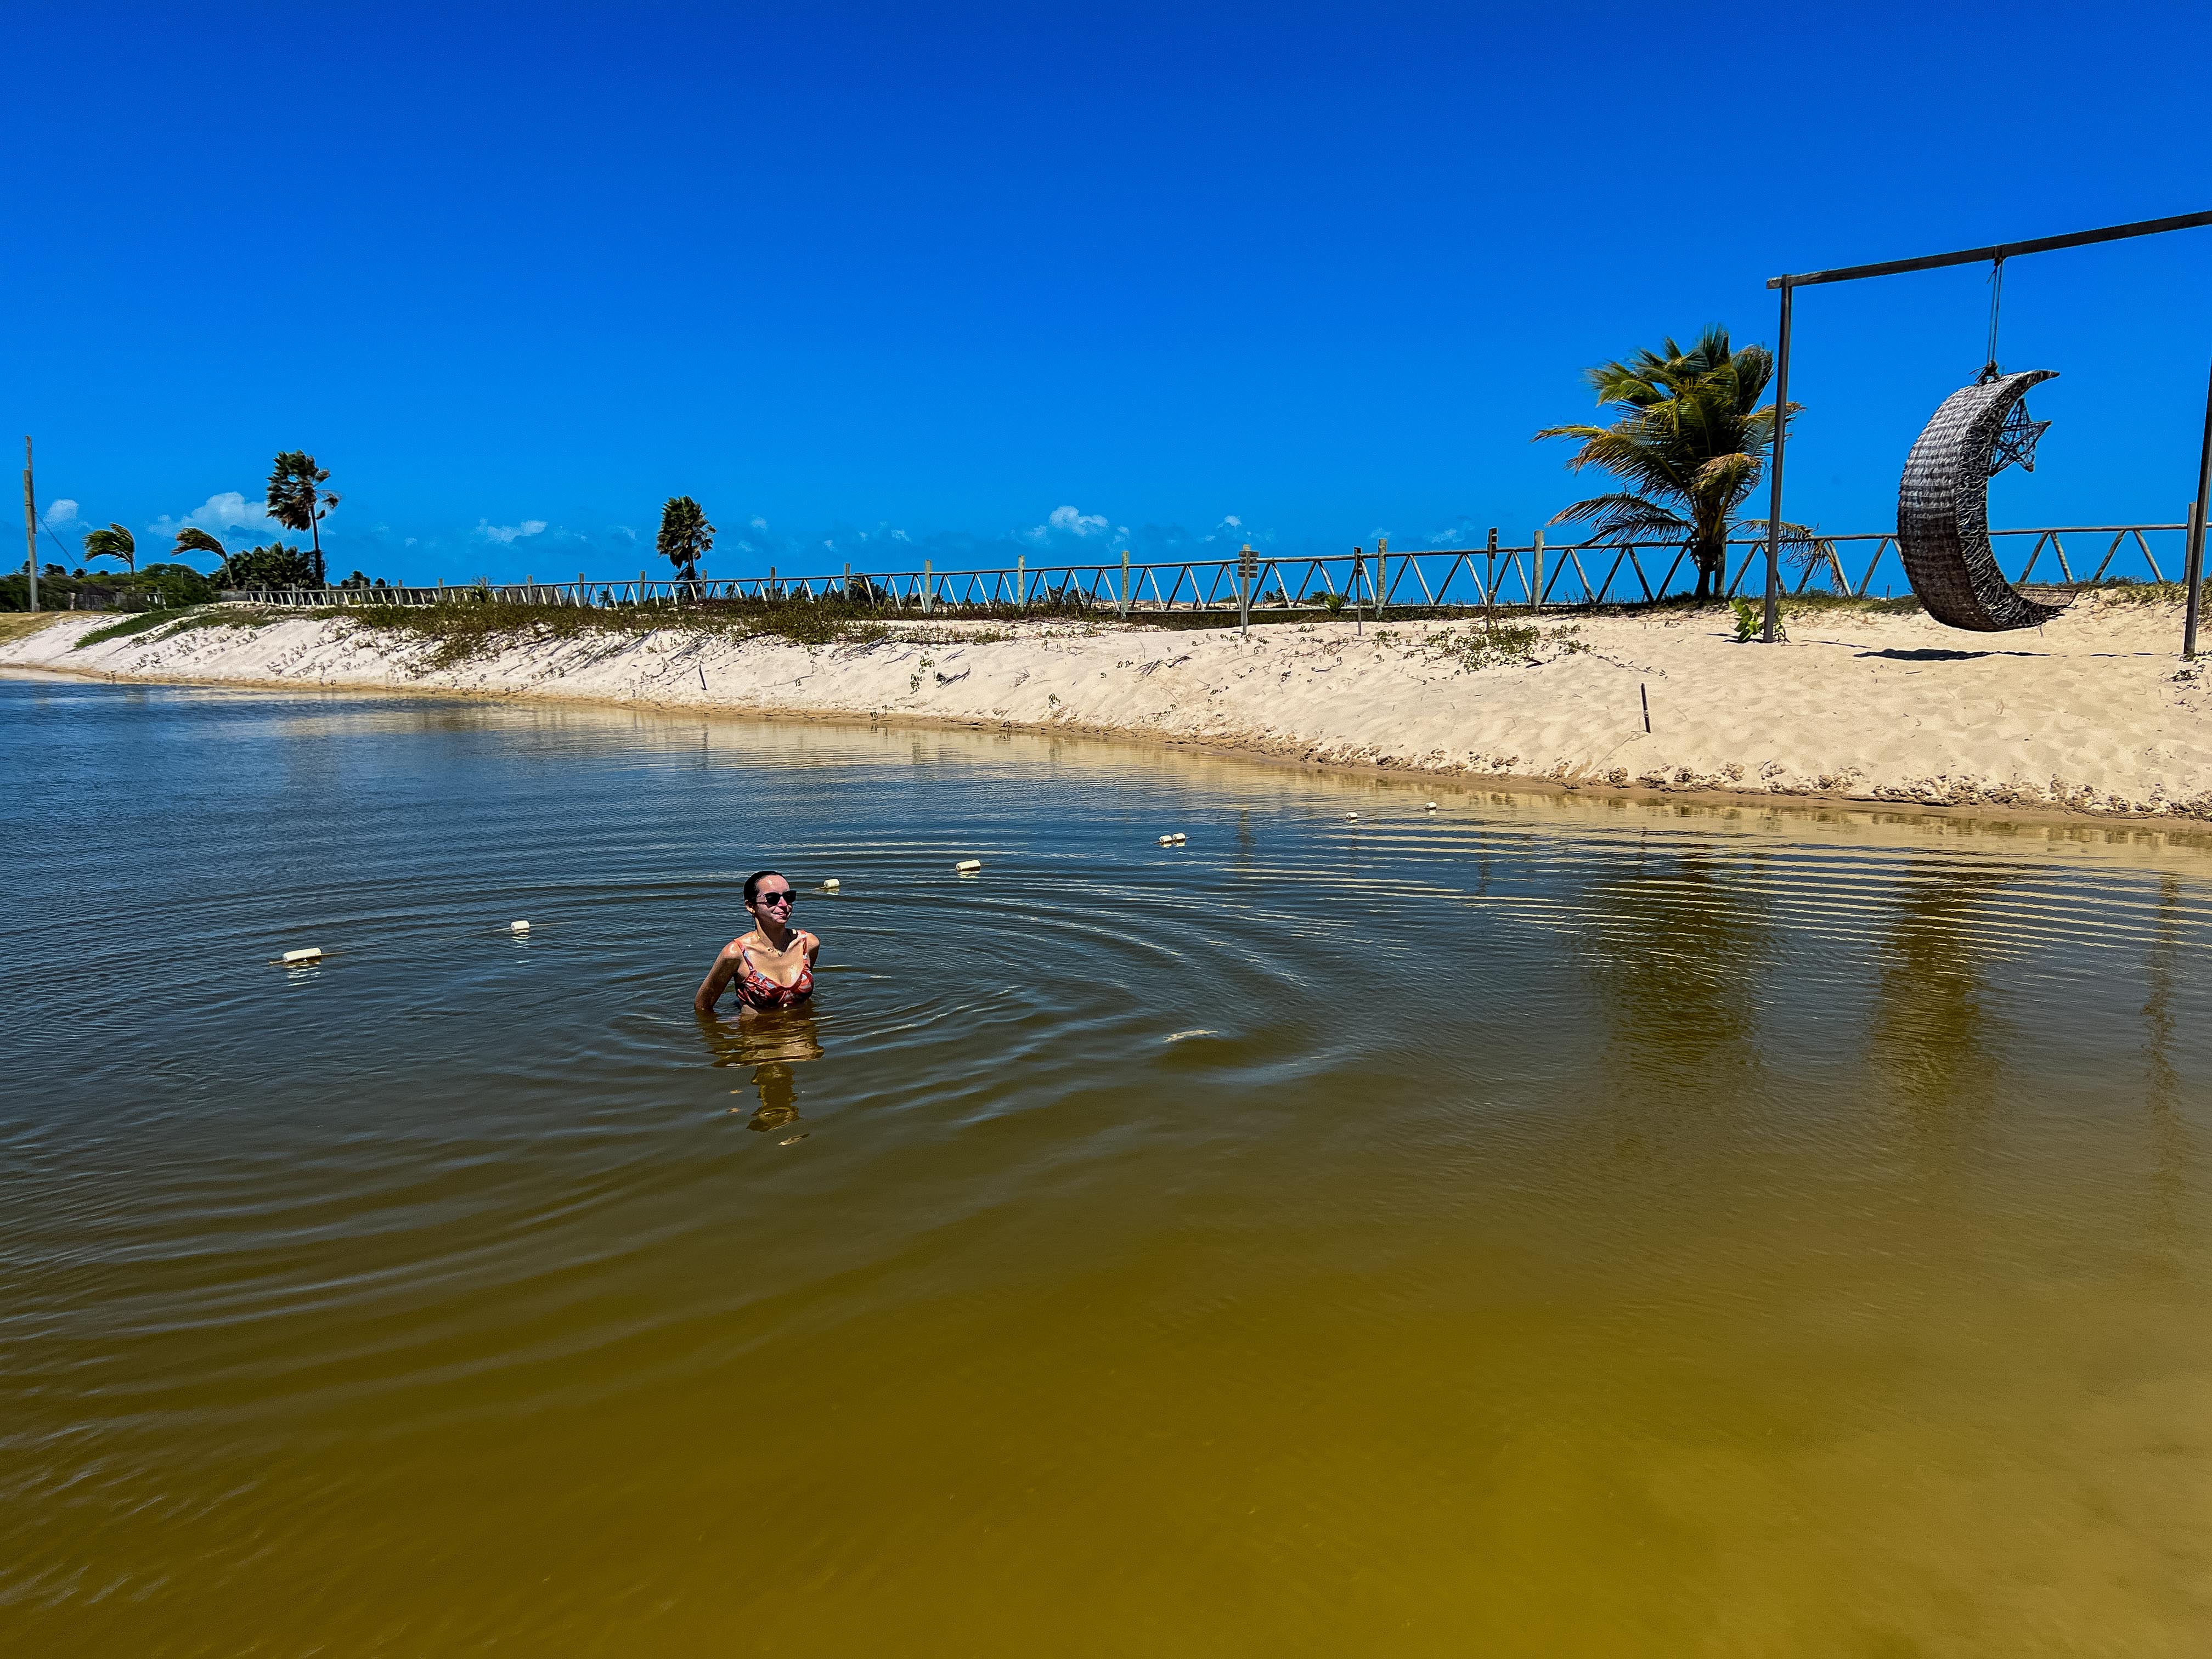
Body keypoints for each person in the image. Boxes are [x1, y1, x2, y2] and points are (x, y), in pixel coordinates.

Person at [695, 869, 820, 1015]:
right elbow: (702, 1007)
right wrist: (725, 1030)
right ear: (750, 906)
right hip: (756, 1035)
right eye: (772, 898)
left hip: (803, 1033)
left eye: (789, 896)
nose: (784, 904)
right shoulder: (736, 953)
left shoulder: (808, 944)